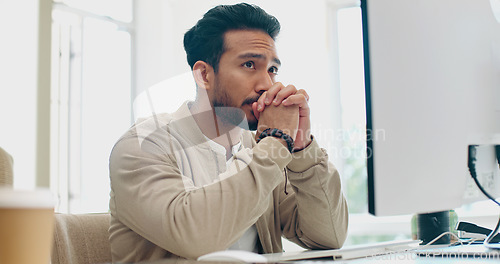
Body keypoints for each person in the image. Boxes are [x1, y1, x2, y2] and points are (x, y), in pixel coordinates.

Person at [109, 3, 348, 263]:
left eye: (272, 70)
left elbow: (328, 237)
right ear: (204, 75)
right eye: (248, 64)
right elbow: (197, 237)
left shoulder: (264, 148)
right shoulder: (143, 145)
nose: (267, 84)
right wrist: (275, 142)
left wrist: (301, 148)